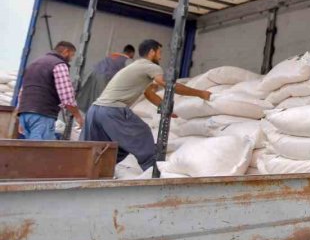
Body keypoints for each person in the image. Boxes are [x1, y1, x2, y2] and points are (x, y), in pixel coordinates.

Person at [80, 39, 211, 170]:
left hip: (95, 111)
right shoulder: (151, 66)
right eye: (159, 52)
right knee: (142, 135)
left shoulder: (136, 66)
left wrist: (165, 108)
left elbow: (148, 93)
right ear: (152, 52)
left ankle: (91, 172)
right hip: (113, 110)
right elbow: (169, 84)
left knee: (99, 149)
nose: (161, 56)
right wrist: (200, 93)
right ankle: (153, 173)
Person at [16, 41, 84, 140]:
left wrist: (20, 114)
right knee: (42, 151)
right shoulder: (59, 65)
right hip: (42, 114)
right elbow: (67, 96)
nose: (71, 59)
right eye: (72, 55)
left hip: (25, 114)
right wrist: (78, 117)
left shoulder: (33, 64)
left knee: (30, 149)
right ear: (66, 51)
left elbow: (23, 92)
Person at [76, 45, 135, 113]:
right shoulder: (127, 59)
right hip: (105, 77)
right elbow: (132, 71)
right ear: (131, 53)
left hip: (94, 74)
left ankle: (87, 114)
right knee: (103, 101)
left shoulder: (113, 55)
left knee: (90, 98)